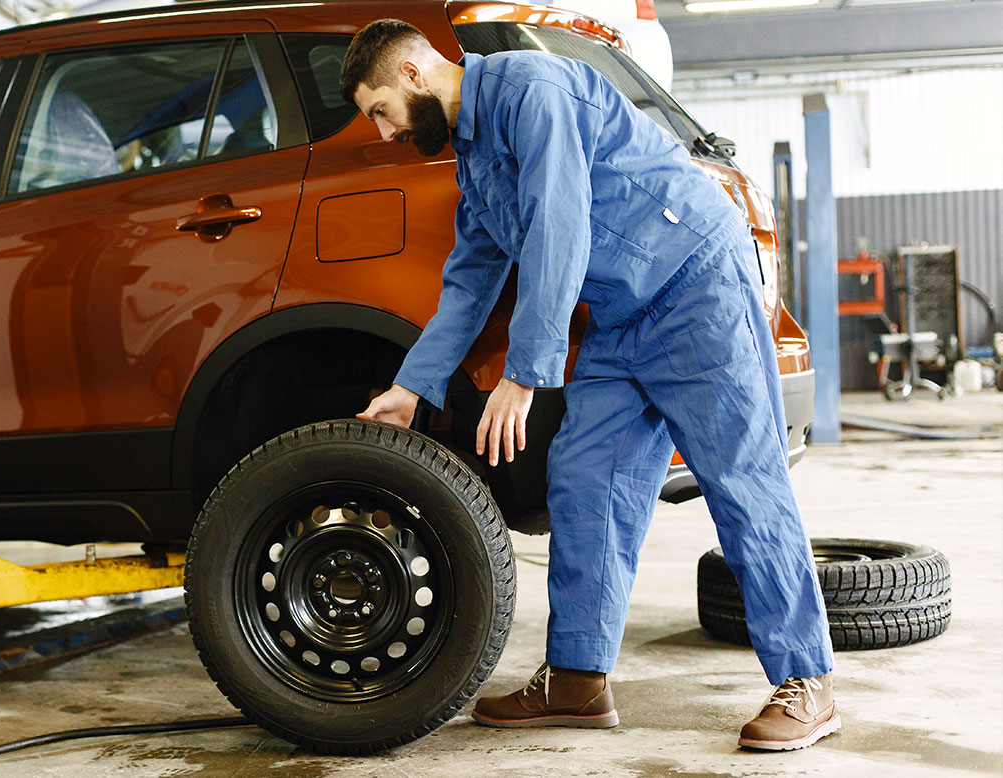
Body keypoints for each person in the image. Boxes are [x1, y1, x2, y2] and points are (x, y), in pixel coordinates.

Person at [341, 19, 839, 751]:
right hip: (620, 316)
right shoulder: (474, 155)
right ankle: (577, 680)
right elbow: (474, 275)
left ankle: (809, 682)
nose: (382, 131)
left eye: (379, 109)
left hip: (694, 285)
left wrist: (525, 373)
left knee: (741, 480)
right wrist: (413, 385)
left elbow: (560, 224)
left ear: (414, 74)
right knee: (585, 478)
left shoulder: (531, 90)